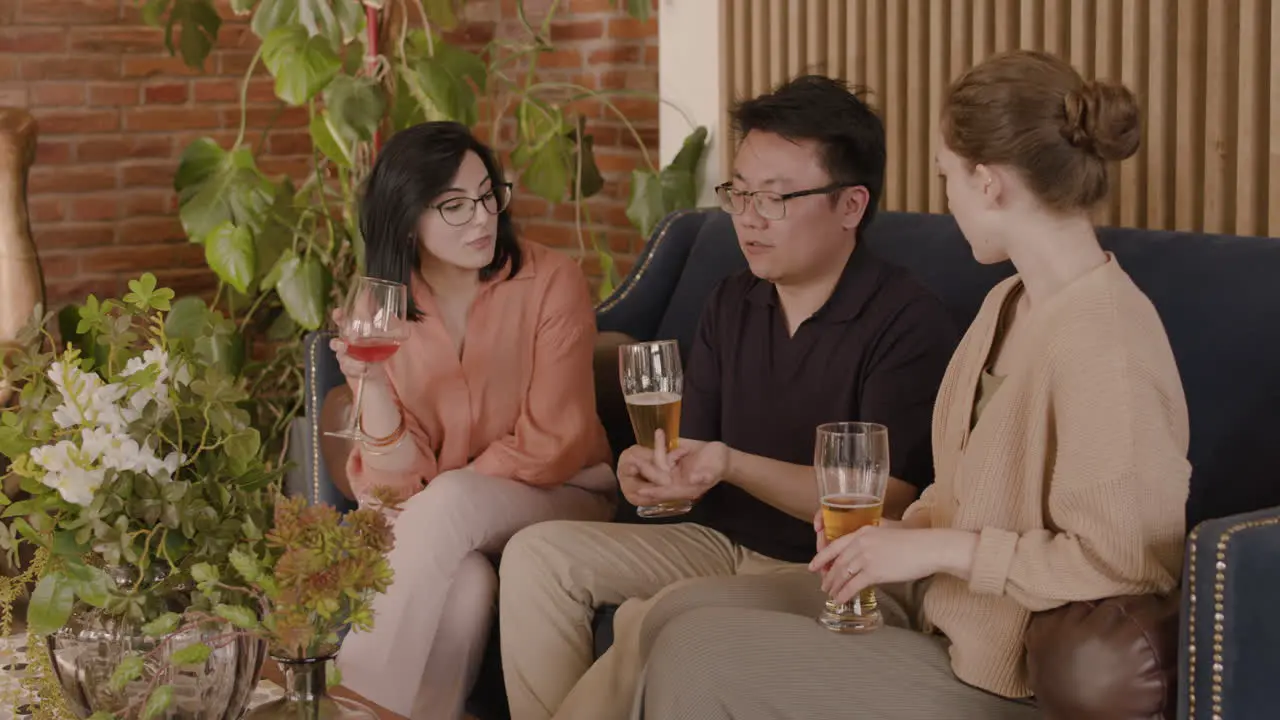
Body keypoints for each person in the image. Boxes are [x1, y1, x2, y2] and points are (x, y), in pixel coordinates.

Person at [632, 50, 1192, 720]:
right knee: (676, 612)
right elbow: (958, 494)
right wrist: (892, 536)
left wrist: (936, 546)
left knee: (695, 648)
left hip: (991, 671)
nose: (946, 198)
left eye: (947, 177)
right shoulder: (1007, 303)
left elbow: (1130, 563)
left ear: (988, 183)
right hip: (936, 611)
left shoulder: (1108, 341)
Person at [497, 76, 959, 720]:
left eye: (774, 199)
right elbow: (696, 457)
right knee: (537, 555)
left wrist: (730, 463)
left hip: (825, 568)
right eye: (739, 193)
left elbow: (886, 500)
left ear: (851, 205)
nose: (748, 218)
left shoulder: (907, 322)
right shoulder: (733, 299)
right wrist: (654, 476)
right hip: (718, 541)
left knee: (652, 620)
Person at [322, 121, 616, 720]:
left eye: (487, 196)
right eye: (454, 206)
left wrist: (446, 487)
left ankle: (343, 707)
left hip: (563, 496)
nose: (482, 218)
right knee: (467, 587)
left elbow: (554, 445)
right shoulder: (376, 311)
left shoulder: (550, 281)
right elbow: (391, 489)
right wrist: (372, 383)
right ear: (406, 220)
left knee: (452, 501)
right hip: (444, 520)